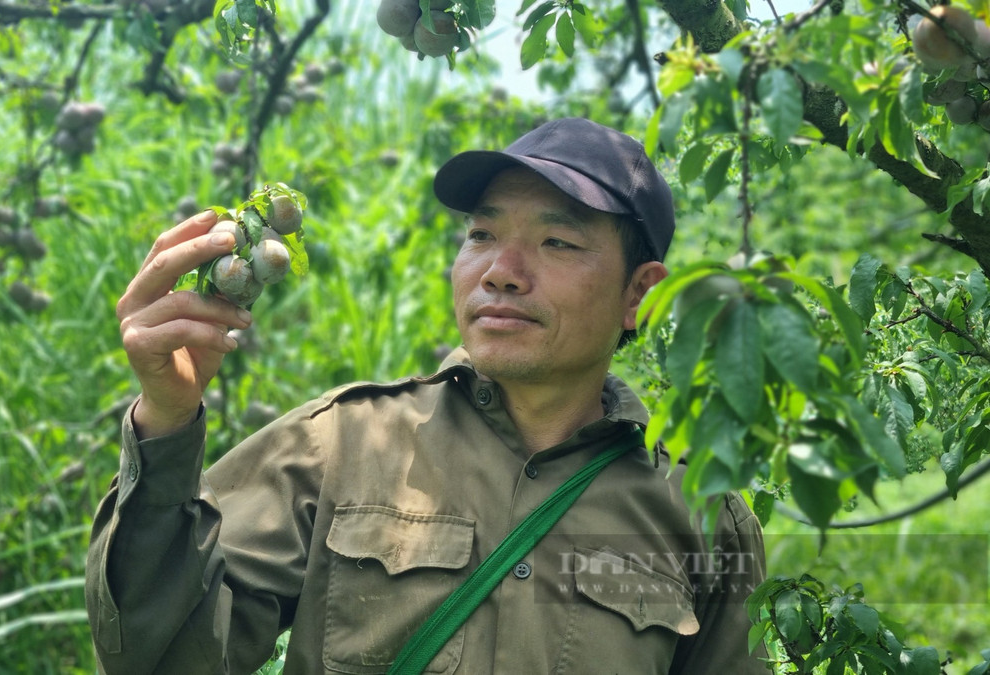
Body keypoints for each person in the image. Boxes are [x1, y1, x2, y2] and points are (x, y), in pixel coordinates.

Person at [87, 118, 768, 674]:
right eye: (481, 235)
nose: (501, 272)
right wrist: (167, 419)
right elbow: (162, 655)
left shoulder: (700, 512)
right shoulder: (343, 444)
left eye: (557, 240)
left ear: (639, 293)